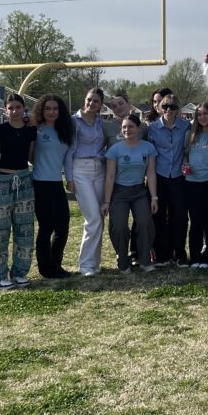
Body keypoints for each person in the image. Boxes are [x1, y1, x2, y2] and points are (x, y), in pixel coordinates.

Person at [0, 93, 37, 289]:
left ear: (24, 108)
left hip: (24, 179)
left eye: (18, 107)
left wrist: (32, 122)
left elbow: (32, 157)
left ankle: (20, 272)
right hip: (2, 180)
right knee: (0, 229)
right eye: (11, 108)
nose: (15, 111)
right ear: (5, 110)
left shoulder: (30, 131)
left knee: (24, 229)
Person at [102, 114, 158, 273]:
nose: (127, 130)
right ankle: (122, 259)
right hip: (119, 192)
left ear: (138, 129)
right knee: (119, 227)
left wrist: (154, 197)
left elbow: (151, 173)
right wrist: (106, 201)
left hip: (140, 191)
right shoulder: (115, 149)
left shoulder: (148, 148)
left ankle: (145, 260)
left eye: (131, 126)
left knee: (144, 223)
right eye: (124, 127)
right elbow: (110, 176)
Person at [67, 87, 109, 276]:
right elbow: (69, 151)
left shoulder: (101, 122)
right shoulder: (73, 121)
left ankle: (94, 262)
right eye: (89, 99)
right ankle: (85, 264)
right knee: (92, 217)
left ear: (101, 105)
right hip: (80, 169)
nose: (91, 103)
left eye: (95, 101)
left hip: (99, 169)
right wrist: (68, 177)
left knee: (99, 217)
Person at [31, 94, 74, 279]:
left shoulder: (64, 130)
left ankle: (55, 264)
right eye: (47, 108)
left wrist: (70, 179)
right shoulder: (36, 130)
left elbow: (67, 158)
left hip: (57, 183)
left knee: (63, 225)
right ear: (41, 110)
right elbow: (30, 156)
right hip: (40, 184)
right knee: (46, 226)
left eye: (55, 109)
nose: (51, 112)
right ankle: (45, 268)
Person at [150, 94, 191, 266]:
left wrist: (186, 163)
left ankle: (180, 253)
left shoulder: (186, 126)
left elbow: (187, 150)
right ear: (159, 107)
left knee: (180, 217)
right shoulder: (152, 128)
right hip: (159, 176)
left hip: (178, 177)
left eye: (172, 107)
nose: (168, 110)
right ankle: (162, 255)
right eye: (165, 106)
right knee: (159, 217)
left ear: (178, 109)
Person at [184, 102, 208, 268]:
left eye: (205, 114)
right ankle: (196, 256)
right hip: (192, 184)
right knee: (196, 222)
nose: (202, 117)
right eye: (199, 115)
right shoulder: (190, 135)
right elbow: (185, 156)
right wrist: (185, 166)